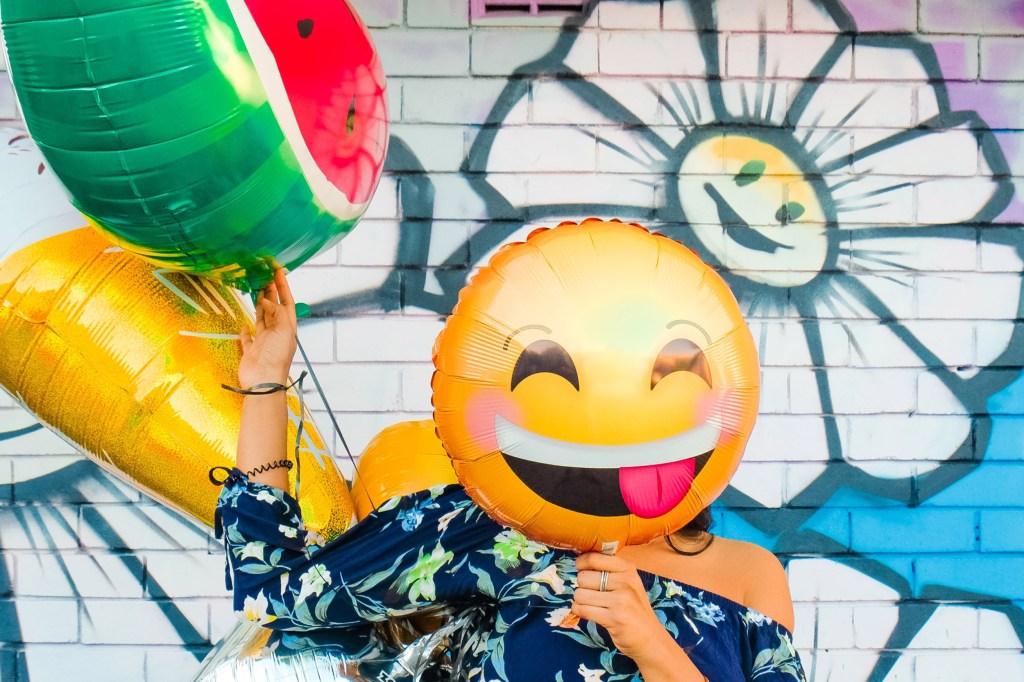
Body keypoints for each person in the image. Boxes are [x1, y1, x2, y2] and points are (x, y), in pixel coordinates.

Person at [215, 268, 806, 682]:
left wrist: (650, 644)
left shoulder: (751, 577)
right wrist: (266, 381)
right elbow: (278, 591)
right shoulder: (491, 533)